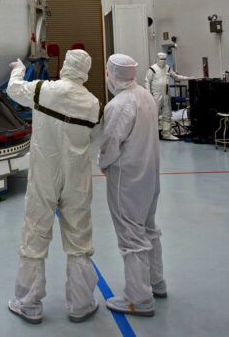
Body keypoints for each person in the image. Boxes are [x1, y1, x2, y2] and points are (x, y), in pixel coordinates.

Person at [6, 49, 101, 324]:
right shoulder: (93, 104)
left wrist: (18, 69)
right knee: (79, 238)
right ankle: (81, 304)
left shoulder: (44, 90)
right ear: (85, 71)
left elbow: (14, 90)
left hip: (45, 173)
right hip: (77, 178)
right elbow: (93, 137)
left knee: (35, 231)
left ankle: (28, 303)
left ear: (66, 66)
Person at [99, 54, 166, 317]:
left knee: (131, 235)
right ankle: (156, 282)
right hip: (149, 174)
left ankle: (139, 299)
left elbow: (110, 143)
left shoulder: (118, 105)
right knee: (148, 227)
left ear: (113, 74)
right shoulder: (145, 96)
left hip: (126, 179)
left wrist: (103, 163)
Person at [145, 52, 190, 140]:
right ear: (157, 59)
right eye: (161, 59)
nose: (163, 61)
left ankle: (166, 133)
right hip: (156, 95)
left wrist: (187, 78)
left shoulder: (167, 68)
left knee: (167, 114)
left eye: (164, 59)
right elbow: (147, 81)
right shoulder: (152, 69)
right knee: (153, 115)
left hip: (166, 95)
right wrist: (148, 94)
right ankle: (151, 135)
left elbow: (176, 77)